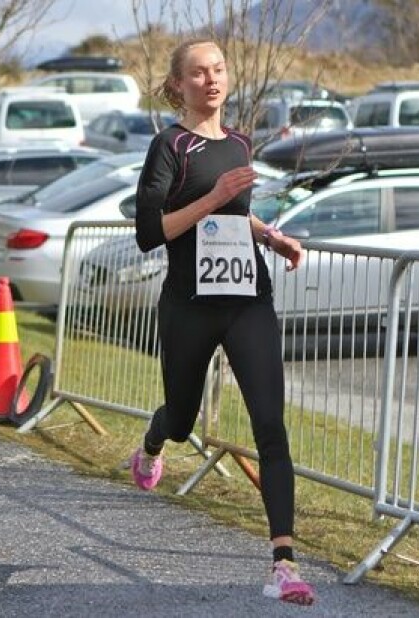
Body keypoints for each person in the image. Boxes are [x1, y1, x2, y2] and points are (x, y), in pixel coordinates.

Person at [130, 38, 313, 606]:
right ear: (178, 85)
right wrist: (212, 198)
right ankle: (154, 442)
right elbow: (149, 233)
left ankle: (284, 562)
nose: (211, 81)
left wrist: (270, 235)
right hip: (188, 305)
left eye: (218, 70)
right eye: (198, 74)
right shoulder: (169, 146)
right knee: (183, 420)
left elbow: (236, 210)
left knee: (270, 426)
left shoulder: (238, 142)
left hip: (246, 299)